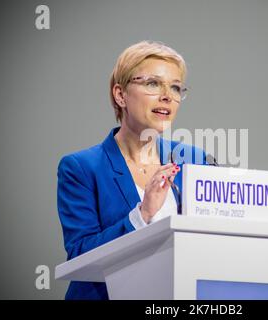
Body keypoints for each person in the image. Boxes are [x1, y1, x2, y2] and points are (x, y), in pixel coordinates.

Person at [57, 41, 208, 300]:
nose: (167, 96)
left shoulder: (194, 159)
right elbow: (80, 255)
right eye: (152, 83)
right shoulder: (81, 168)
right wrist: (142, 214)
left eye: (175, 87)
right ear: (120, 95)